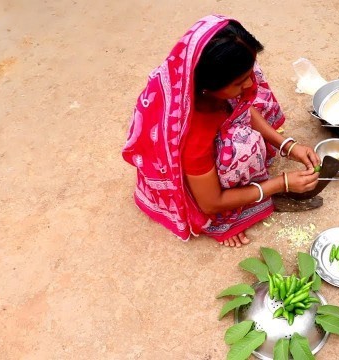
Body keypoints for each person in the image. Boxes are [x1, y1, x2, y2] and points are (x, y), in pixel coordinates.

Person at [122, 15, 321, 247]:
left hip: (209, 129)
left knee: (251, 97)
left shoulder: (201, 80)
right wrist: (281, 184)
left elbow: (243, 108)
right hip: (200, 185)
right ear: (208, 88)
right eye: (239, 82)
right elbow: (211, 202)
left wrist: (288, 145)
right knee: (242, 144)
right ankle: (228, 205)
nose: (248, 86)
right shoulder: (195, 132)